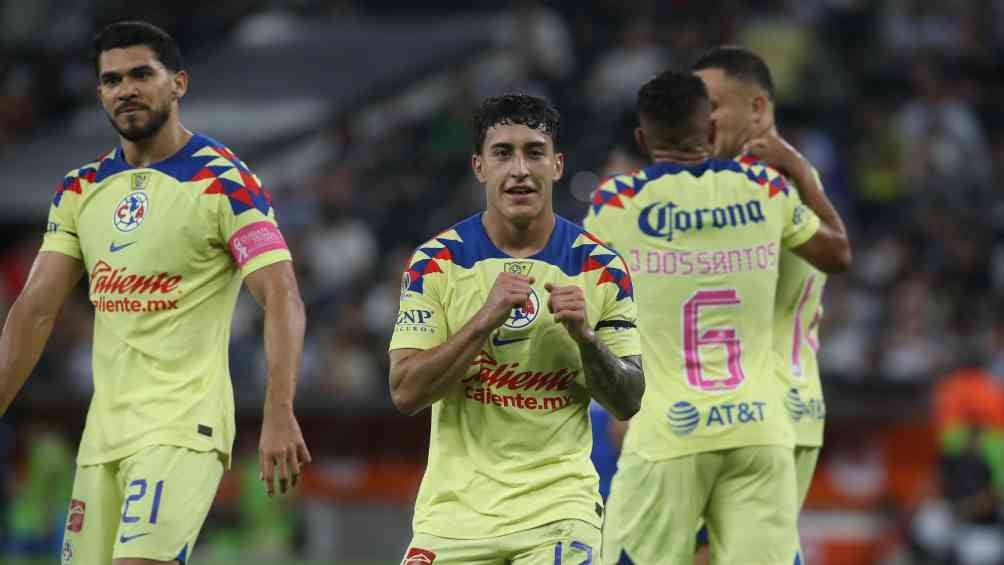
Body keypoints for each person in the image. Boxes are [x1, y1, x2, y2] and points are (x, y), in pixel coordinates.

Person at [0, 21, 310, 565]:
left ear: (179, 83)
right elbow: (34, 309)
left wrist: (278, 409)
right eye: (112, 79)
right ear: (99, 92)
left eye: (142, 74)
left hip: (182, 427)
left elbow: (281, 293)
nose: (127, 89)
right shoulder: (79, 189)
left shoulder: (223, 181)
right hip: (103, 436)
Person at [585, 70, 850, 564]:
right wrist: (800, 168)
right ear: (710, 130)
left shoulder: (616, 204)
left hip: (667, 431)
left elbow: (593, 312)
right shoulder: (765, 190)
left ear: (642, 140)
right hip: (756, 426)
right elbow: (837, 254)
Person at [389, 93, 645, 564]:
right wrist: (483, 320)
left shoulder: (601, 267)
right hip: (454, 516)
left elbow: (629, 397)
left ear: (558, 165)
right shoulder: (437, 262)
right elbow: (405, 392)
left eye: (535, 152)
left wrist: (587, 341)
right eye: (503, 153)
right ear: (479, 167)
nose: (520, 169)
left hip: (559, 510)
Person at [693, 45, 837, 564]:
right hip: (787, 401)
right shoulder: (797, 176)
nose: (699, 119)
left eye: (711, 104)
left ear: (757, 107)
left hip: (749, 411)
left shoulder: (756, 181)